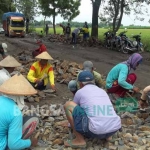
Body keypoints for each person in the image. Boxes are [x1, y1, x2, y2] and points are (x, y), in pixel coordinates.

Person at [64, 71, 121, 148]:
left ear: (80, 84)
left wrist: (70, 124)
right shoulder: (102, 91)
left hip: (94, 132)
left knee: (68, 105)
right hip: (113, 129)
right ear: (93, 82)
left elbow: (75, 112)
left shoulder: (80, 92)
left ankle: (79, 140)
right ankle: (108, 137)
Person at [0, 55, 39, 141]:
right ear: (12, 66)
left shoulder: (2, 73)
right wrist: (30, 143)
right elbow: (13, 145)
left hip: (4, 103)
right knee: (32, 118)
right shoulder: (5, 77)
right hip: (5, 143)